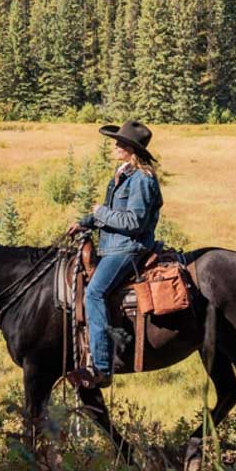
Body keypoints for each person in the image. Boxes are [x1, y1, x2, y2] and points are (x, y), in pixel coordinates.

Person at [66, 120, 162, 389]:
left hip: (129, 247)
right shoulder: (123, 176)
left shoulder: (142, 179)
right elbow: (111, 213)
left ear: (132, 150)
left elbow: (134, 222)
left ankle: (101, 367)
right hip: (115, 246)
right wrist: (85, 222)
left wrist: (101, 212)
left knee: (94, 293)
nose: (115, 146)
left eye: (121, 143)